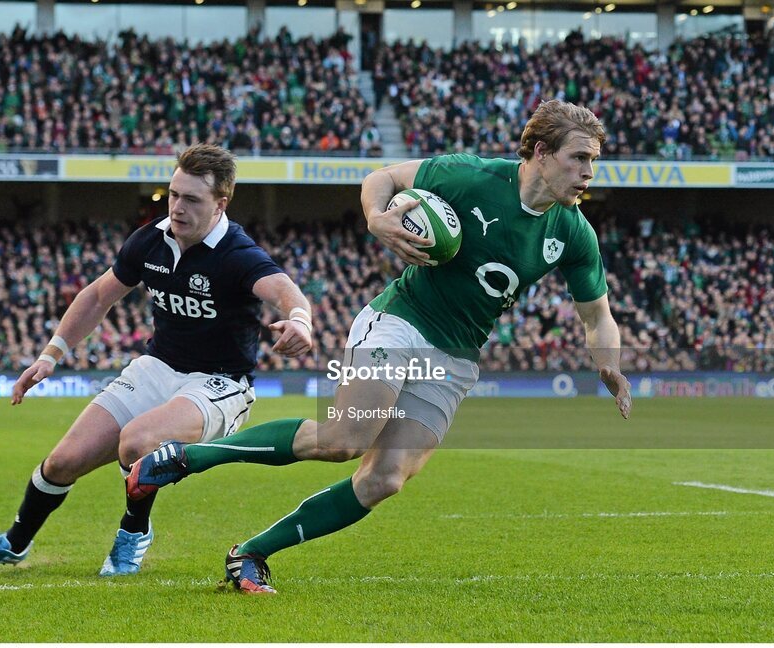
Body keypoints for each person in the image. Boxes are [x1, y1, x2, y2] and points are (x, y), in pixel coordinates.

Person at [128, 100, 632, 593]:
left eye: (594, 161)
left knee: (384, 479)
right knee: (346, 438)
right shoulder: (472, 176)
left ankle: (250, 554)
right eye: (580, 158)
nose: (589, 172)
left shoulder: (572, 232)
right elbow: (383, 179)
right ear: (540, 152)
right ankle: (190, 457)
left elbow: (598, 315)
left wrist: (608, 365)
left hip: (455, 356)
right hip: (400, 320)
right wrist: (375, 217)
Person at [0, 143, 314, 576]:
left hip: (219, 383)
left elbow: (286, 291)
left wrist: (300, 321)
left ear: (221, 203)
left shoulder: (238, 254)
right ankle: (14, 543)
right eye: (174, 194)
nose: (177, 207)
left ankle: (133, 533)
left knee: (138, 442)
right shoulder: (149, 240)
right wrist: (51, 355)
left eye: (191, 199)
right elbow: (99, 295)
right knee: (62, 463)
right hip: (156, 367)